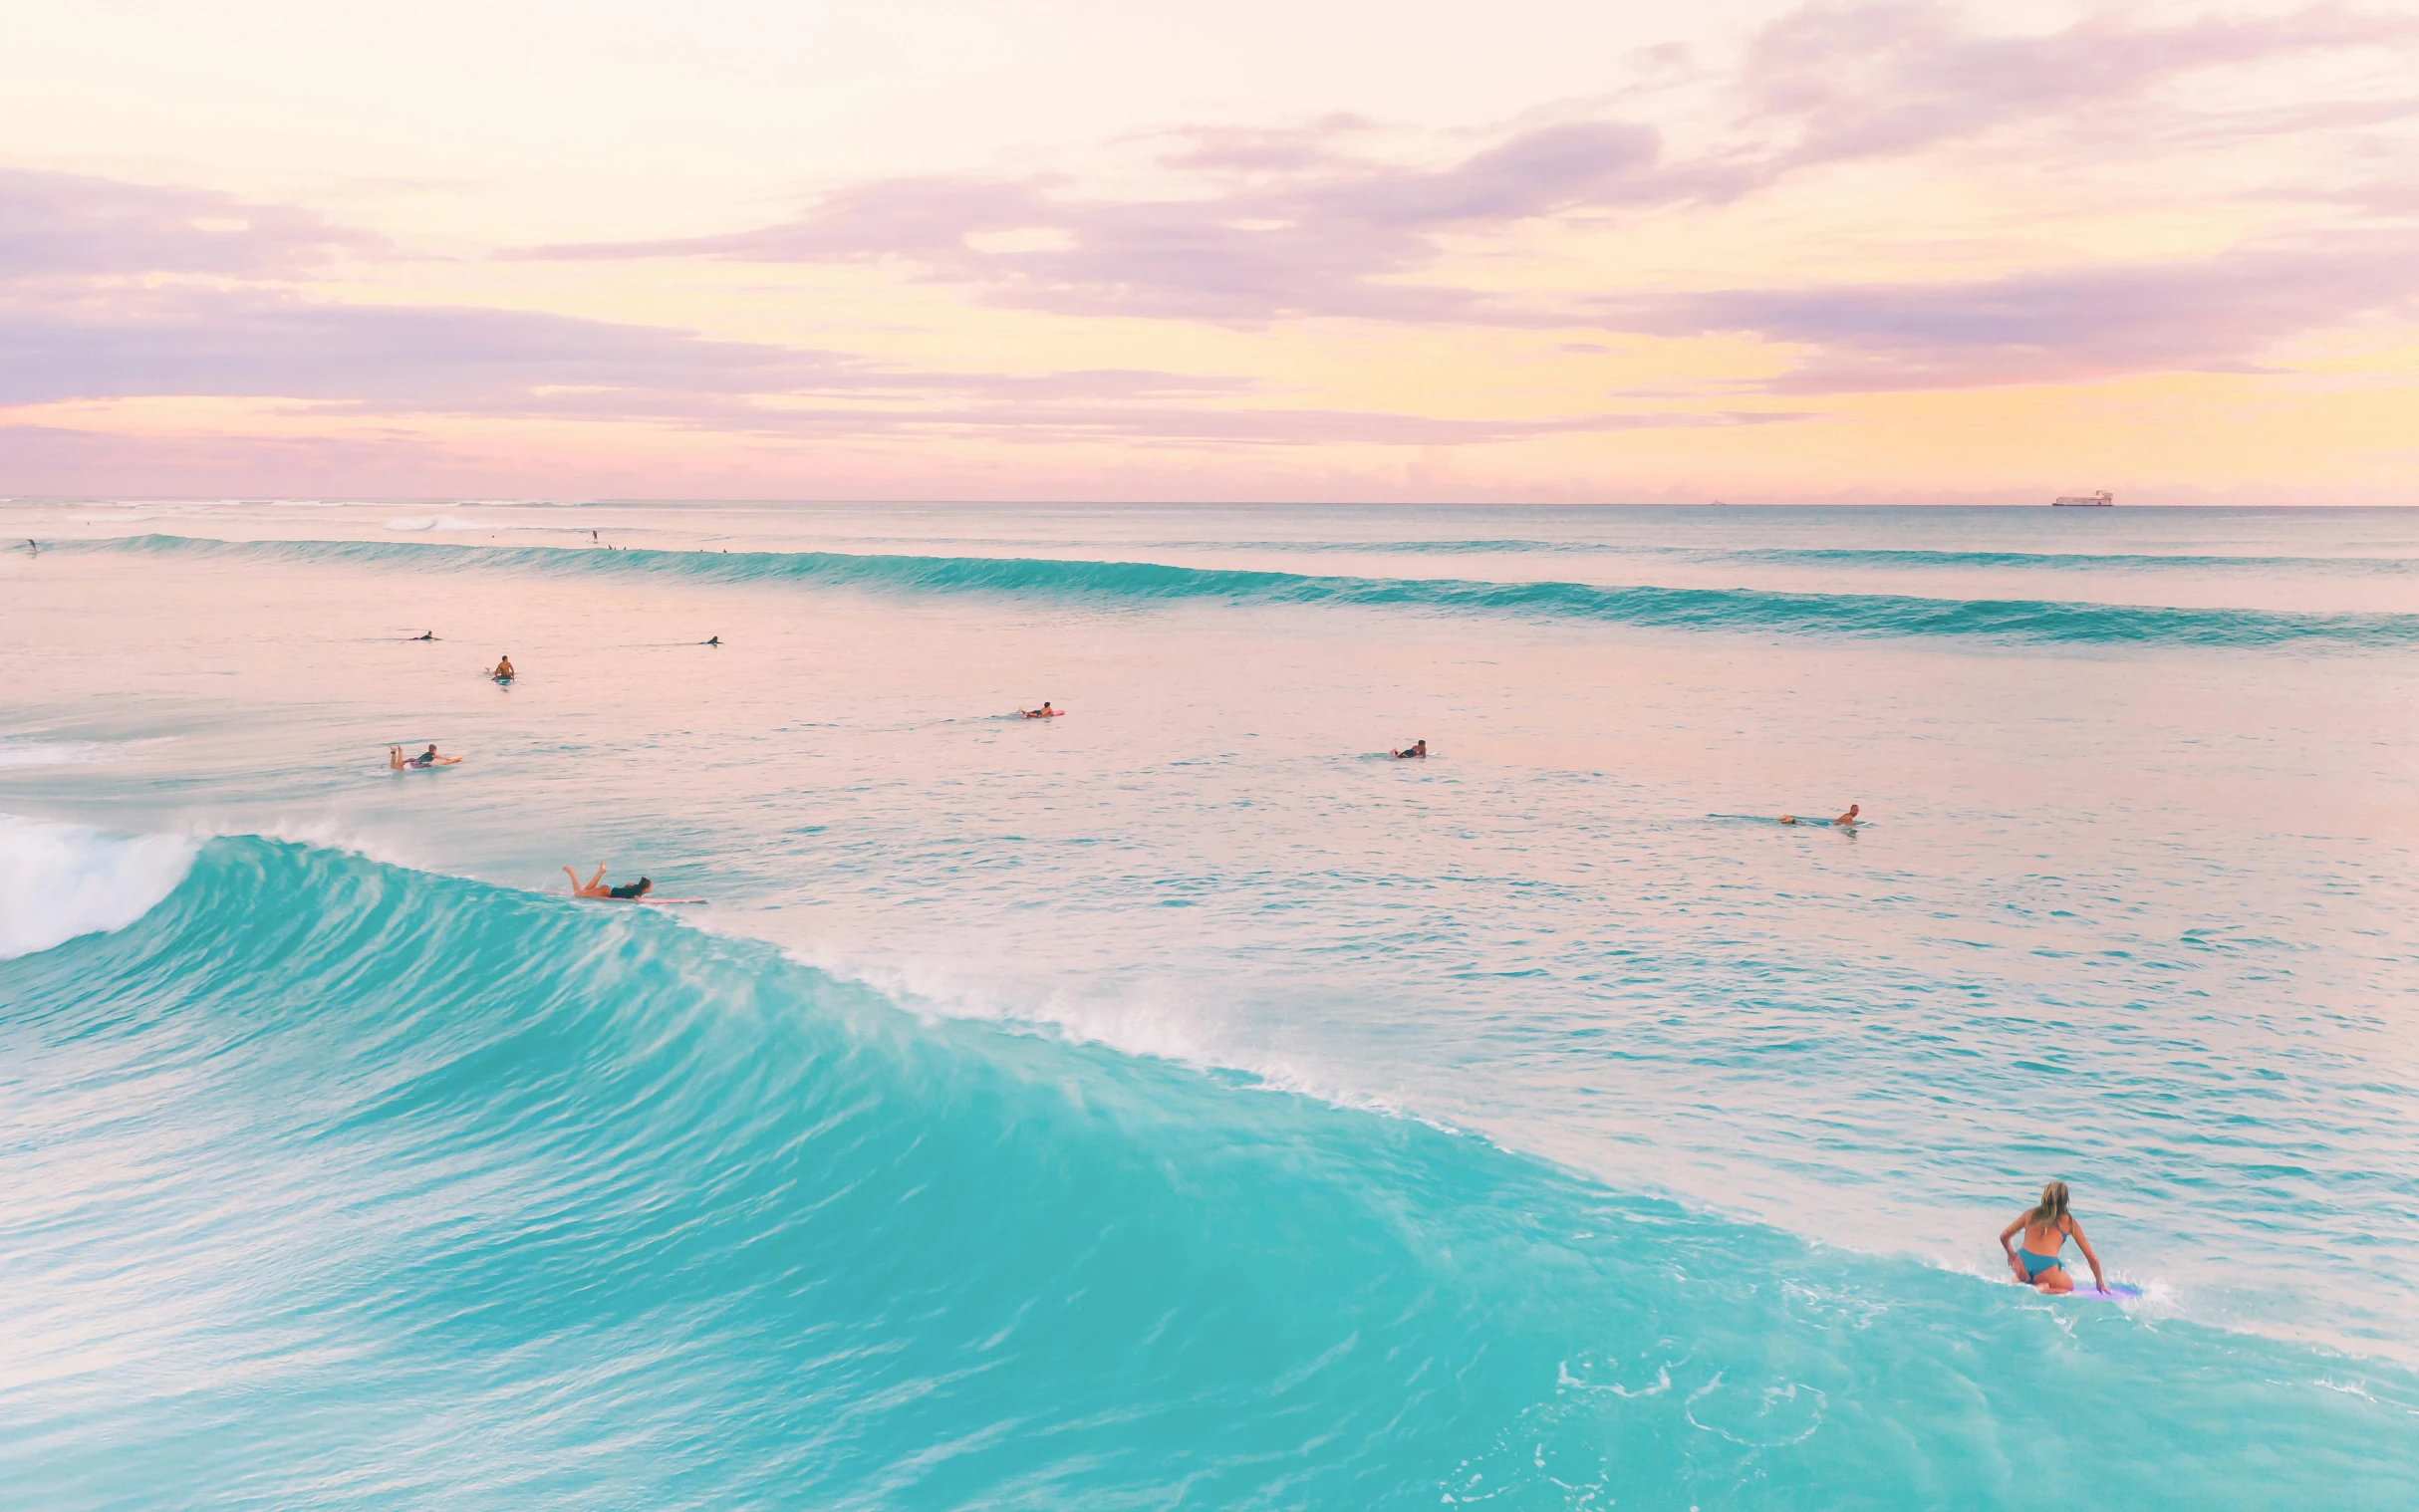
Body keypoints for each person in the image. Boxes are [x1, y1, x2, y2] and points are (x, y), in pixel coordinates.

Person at [1999, 1180, 2108, 1295]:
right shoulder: (2069, 1223)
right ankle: (2044, 1289)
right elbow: (2091, 1258)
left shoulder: (2030, 1214)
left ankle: (2019, 1279)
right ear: (2066, 1200)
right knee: (2069, 1286)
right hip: (2046, 1268)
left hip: (2023, 1263)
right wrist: (2099, 1282)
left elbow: (2004, 1236)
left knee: (2034, 1274)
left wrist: (2011, 1255)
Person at [564, 865, 652, 900]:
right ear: (646, 888)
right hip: (606, 891)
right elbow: (636, 897)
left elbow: (627, 884)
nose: (651, 888)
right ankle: (572, 873)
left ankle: (601, 872)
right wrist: (639, 901)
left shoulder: (637, 887)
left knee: (586, 890)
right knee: (578, 894)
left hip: (610, 888)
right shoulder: (638, 892)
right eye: (650, 887)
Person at [1779, 803, 1859, 826]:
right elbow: (1849, 823)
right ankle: (1790, 820)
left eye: (1857, 810)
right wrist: (1854, 827)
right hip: (1828, 825)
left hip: (1829, 823)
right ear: (1851, 810)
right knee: (1804, 824)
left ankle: (1786, 818)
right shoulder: (1849, 816)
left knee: (1805, 823)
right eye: (1855, 810)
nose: (1857, 811)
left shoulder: (1846, 815)